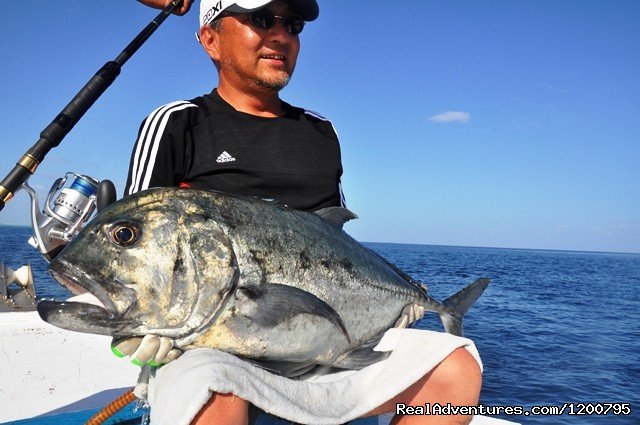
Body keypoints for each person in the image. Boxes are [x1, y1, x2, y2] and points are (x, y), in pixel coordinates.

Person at [122, 1, 482, 424]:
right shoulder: (178, 123)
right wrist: (130, 331)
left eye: (291, 25)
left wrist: (394, 299)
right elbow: (134, 245)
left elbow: (336, 241)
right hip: (208, 346)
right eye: (260, 20)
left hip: (319, 349)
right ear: (210, 39)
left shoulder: (319, 131)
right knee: (214, 389)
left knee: (455, 368)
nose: (280, 36)